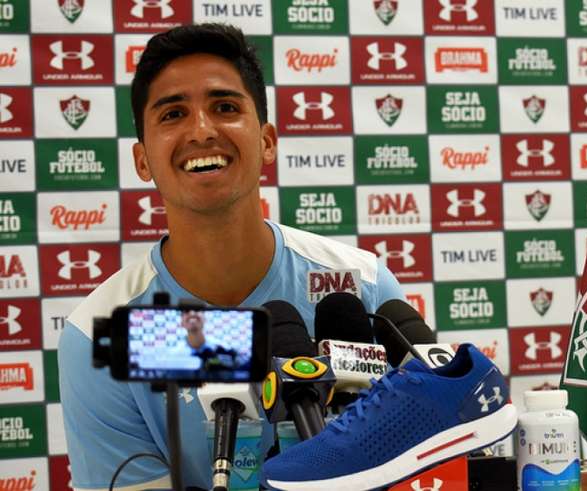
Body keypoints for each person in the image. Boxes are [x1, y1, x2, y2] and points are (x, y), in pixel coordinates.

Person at [58, 23, 405, 490]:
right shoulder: (101, 335)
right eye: (173, 113)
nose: (202, 130)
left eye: (224, 107)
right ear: (142, 160)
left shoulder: (362, 286)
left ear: (267, 140)